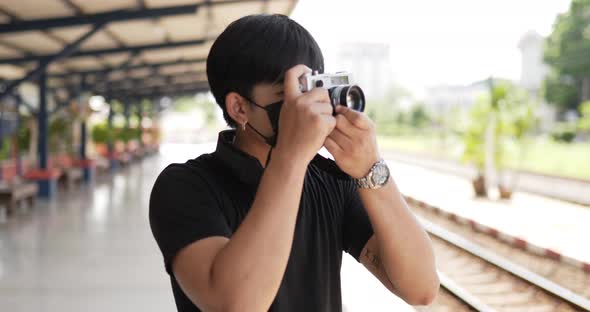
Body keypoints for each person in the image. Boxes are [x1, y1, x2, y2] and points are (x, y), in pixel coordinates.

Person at [149, 14, 439, 312]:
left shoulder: (328, 181)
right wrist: (291, 156)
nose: (308, 107)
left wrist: (370, 171)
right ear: (239, 107)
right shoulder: (186, 186)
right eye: (289, 95)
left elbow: (421, 289)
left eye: (312, 91)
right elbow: (236, 305)